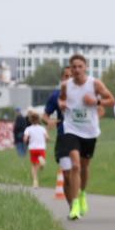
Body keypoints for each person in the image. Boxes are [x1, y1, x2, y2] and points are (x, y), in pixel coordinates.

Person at [58, 54, 115, 220]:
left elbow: (111, 100)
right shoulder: (65, 85)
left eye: (79, 66)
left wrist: (96, 102)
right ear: (70, 68)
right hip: (71, 129)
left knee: (84, 166)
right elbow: (62, 101)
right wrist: (61, 104)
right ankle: (74, 204)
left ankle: (82, 193)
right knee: (75, 165)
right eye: (73, 67)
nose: (76, 70)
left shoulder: (94, 84)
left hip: (89, 131)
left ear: (85, 67)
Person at [43, 64, 73, 205]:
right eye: (66, 76)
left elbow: (99, 109)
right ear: (62, 78)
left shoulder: (86, 93)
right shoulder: (55, 95)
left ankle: (79, 198)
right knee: (67, 174)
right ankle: (72, 204)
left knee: (78, 168)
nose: (69, 79)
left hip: (81, 136)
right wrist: (49, 121)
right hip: (63, 136)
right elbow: (45, 115)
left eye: (72, 76)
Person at [22, 109, 50, 188]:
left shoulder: (28, 129)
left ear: (30, 120)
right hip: (41, 148)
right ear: (38, 120)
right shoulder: (42, 128)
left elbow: (25, 139)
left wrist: (26, 141)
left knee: (33, 165)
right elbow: (47, 138)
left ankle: (35, 181)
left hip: (32, 149)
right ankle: (42, 164)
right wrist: (46, 140)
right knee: (40, 163)